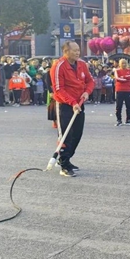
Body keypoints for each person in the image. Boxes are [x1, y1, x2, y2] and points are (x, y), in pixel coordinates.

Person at [50, 41, 95, 177]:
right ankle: (64, 164)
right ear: (66, 51)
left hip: (80, 103)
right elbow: (58, 89)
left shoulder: (81, 64)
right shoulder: (58, 66)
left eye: (78, 50)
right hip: (65, 105)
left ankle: (67, 158)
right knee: (66, 135)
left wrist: (87, 92)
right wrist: (72, 102)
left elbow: (90, 81)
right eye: (74, 50)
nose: (77, 52)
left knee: (77, 133)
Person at [114, 59, 130, 126]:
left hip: (128, 90)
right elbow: (118, 79)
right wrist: (127, 79)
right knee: (119, 106)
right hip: (119, 90)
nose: (124, 64)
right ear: (119, 64)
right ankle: (119, 120)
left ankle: (128, 120)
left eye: (125, 63)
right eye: (122, 63)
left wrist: (124, 77)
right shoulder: (117, 71)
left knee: (129, 106)